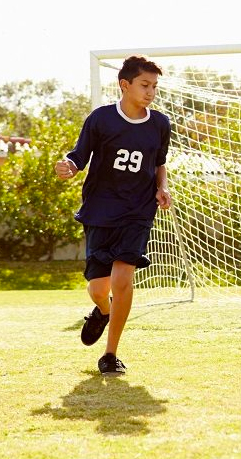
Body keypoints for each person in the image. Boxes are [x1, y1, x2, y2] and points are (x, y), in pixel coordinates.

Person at [55, 56, 172, 376]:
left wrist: (162, 187)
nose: (150, 92)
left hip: (138, 211)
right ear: (125, 85)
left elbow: (159, 162)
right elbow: (78, 156)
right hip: (100, 209)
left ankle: (110, 354)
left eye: (154, 87)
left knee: (123, 280)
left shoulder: (160, 124)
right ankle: (102, 310)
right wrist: (68, 166)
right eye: (144, 85)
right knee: (97, 288)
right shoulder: (101, 120)